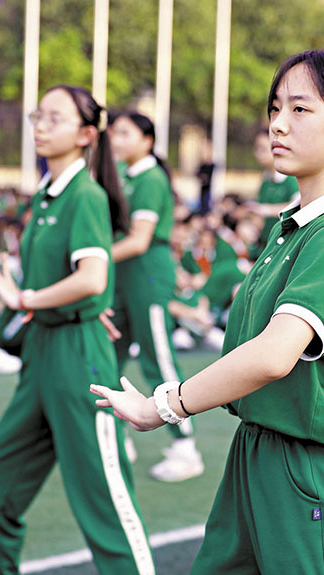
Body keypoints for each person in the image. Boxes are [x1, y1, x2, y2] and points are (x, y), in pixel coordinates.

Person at [92, 48, 324, 575]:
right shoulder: (297, 225)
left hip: (310, 473)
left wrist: (163, 406)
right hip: (257, 457)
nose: (277, 124)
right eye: (274, 107)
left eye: (300, 109)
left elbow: (272, 355)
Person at [0, 85, 158, 575]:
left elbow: (92, 276)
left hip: (79, 361)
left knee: (105, 505)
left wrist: (26, 296)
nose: (40, 125)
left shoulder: (85, 195)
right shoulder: (49, 193)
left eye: (55, 118)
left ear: (84, 135)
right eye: (38, 116)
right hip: (43, 355)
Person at [109, 111, 204, 482]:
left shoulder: (149, 178)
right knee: (107, 354)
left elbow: (139, 240)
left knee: (157, 358)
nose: (115, 140)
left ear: (147, 141)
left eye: (124, 133)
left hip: (146, 273)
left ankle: (185, 447)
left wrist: (93, 260)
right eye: (114, 133)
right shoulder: (126, 176)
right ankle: (116, 434)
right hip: (124, 276)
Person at [247, 128, 300, 245]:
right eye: (257, 148)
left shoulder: (290, 178)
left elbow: (297, 206)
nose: (259, 153)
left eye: (263, 148)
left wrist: (264, 210)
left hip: (284, 242)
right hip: (265, 242)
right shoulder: (265, 179)